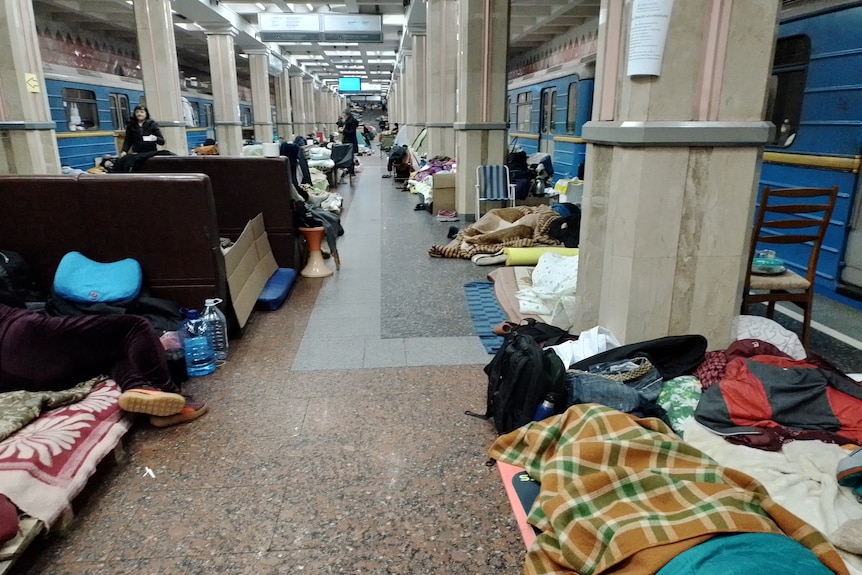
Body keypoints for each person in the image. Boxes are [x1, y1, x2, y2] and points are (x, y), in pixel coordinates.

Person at [0, 292, 207, 427]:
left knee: (107, 355)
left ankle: (140, 389)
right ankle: (173, 397)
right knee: (134, 327)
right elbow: (14, 301)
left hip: (13, 378)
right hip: (20, 336)